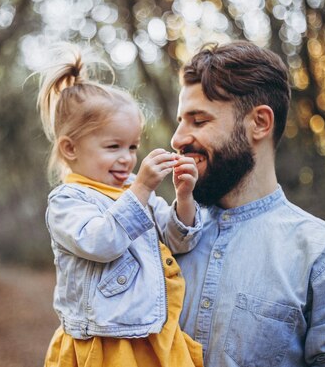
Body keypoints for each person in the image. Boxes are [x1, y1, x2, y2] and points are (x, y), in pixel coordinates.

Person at [171, 41, 325, 367]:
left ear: (259, 123)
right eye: (180, 121)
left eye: (198, 121)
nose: (178, 139)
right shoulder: (165, 236)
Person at [36, 43, 204, 367]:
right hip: (105, 343)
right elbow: (101, 242)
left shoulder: (133, 191)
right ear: (70, 148)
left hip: (150, 335)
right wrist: (141, 188)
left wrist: (184, 196)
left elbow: (177, 240)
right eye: (113, 146)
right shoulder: (67, 201)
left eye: (132, 146)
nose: (127, 158)